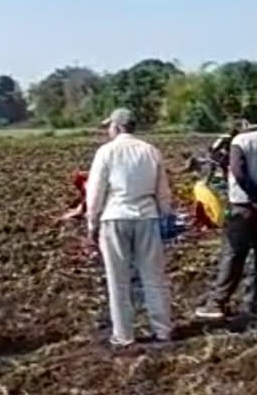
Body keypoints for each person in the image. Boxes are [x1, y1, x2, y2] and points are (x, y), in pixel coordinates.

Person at [195, 104, 257, 320]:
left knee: (233, 256)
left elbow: (239, 173)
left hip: (243, 207)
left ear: (245, 122)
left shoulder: (240, 141)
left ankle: (217, 303)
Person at [86, 108, 173, 346]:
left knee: (118, 279)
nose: (108, 130)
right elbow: (163, 191)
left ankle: (124, 334)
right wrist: (165, 215)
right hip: (146, 216)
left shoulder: (106, 152)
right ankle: (162, 329)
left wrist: (91, 223)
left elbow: (95, 192)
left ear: (117, 126)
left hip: (115, 216)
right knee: (154, 276)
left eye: (109, 126)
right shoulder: (150, 151)